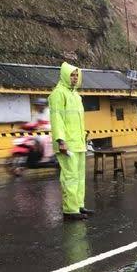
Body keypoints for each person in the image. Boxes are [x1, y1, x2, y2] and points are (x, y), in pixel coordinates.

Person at [49, 62, 93, 221]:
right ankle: (70, 210)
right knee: (70, 177)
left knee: (79, 177)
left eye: (76, 75)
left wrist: (84, 138)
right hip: (66, 144)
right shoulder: (58, 94)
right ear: (64, 75)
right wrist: (61, 141)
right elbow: (57, 119)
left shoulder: (76, 95)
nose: (75, 78)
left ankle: (78, 205)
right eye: (72, 75)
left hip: (79, 143)